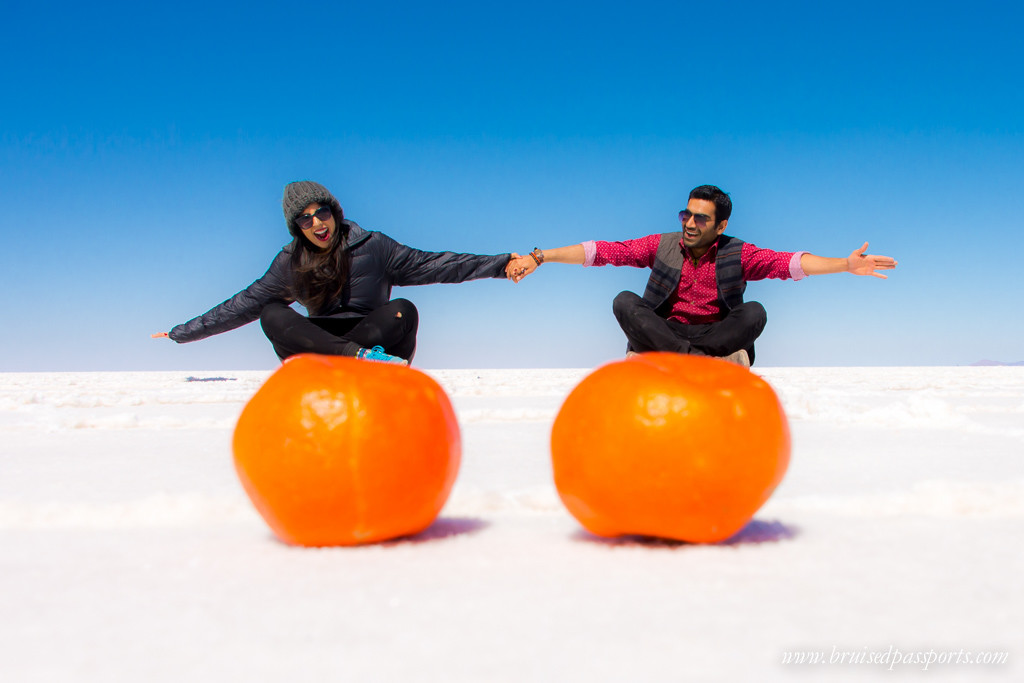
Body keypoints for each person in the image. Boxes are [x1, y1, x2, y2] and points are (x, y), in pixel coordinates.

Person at [505, 184, 897, 367]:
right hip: (666, 332)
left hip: (714, 334)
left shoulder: (737, 252)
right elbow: (603, 252)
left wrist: (845, 265)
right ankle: (694, 362)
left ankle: (692, 359)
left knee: (755, 311)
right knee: (624, 301)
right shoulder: (663, 244)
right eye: (686, 214)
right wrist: (541, 257)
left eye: (701, 218)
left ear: (720, 224)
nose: (690, 223)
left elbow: (790, 263)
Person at [154, 180, 516, 365]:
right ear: (297, 227)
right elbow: (241, 305)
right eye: (305, 218)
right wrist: (180, 333)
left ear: (334, 211)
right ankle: (356, 359)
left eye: (321, 212)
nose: (317, 223)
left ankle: (367, 360)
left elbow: (440, 265)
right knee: (271, 313)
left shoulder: (375, 246)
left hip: (371, 335)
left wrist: (501, 264)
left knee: (404, 309)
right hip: (319, 345)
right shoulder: (290, 262)